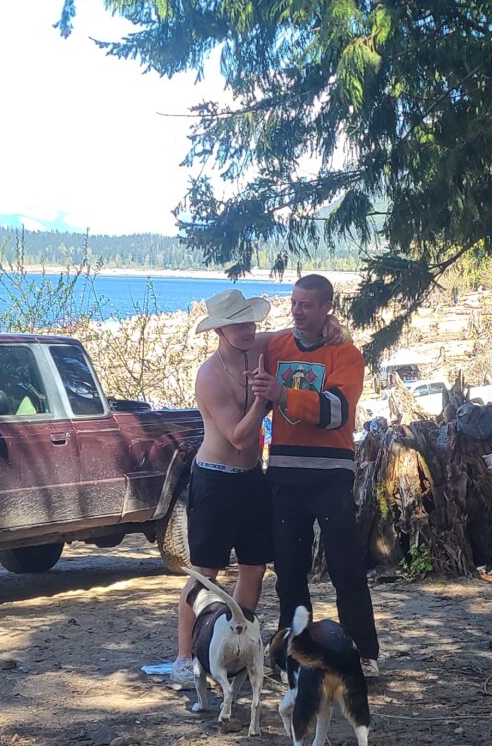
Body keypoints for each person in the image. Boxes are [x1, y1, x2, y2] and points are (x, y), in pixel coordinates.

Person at [144, 288, 275, 685]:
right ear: (220, 330)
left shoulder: (257, 346)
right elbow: (238, 436)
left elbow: (294, 335)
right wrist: (263, 399)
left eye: (250, 321)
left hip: (251, 478)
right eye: (237, 325)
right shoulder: (211, 375)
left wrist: (329, 329)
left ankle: (237, 647)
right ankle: (185, 657)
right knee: (206, 573)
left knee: (255, 568)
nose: (247, 330)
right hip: (215, 479)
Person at [248, 273, 380, 664]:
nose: (297, 311)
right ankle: (294, 649)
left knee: (345, 565)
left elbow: (336, 411)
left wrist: (283, 393)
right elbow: (243, 345)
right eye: (293, 303)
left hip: (331, 475)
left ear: (326, 308)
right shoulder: (277, 347)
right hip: (285, 473)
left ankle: (364, 652)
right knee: (288, 570)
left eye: (305, 305)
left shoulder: (346, 354)